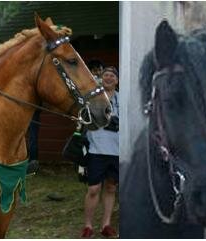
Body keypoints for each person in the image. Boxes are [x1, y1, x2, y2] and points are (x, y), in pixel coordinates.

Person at [81, 66, 119, 238]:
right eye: (106, 75)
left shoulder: (122, 98)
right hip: (96, 149)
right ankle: (88, 226)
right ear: (101, 78)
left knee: (111, 187)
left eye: (112, 75)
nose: (109, 78)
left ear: (117, 80)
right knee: (94, 189)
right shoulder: (94, 97)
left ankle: (106, 225)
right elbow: (83, 117)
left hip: (117, 150)